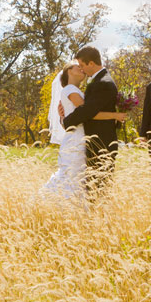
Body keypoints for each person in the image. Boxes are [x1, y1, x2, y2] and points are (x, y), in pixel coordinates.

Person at [43, 62, 126, 202]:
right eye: (77, 66)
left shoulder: (77, 91)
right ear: (69, 71)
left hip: (79, 137)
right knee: (73, 176)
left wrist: (63, 119)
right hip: (76, 141)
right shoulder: (71, 90)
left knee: (78, 176)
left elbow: (74, 119)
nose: (81, 68)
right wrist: (115, 115)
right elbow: (88, 113)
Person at [62, 46, 119, 200]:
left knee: (98, 187)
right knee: (92, 186)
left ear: (91, 64)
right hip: (94, 142)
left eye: (82, 65)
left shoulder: (104, 83)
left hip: (101, 143)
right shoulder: (99, 81)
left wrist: (66, 121)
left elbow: (88, 111)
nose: (81, 69)